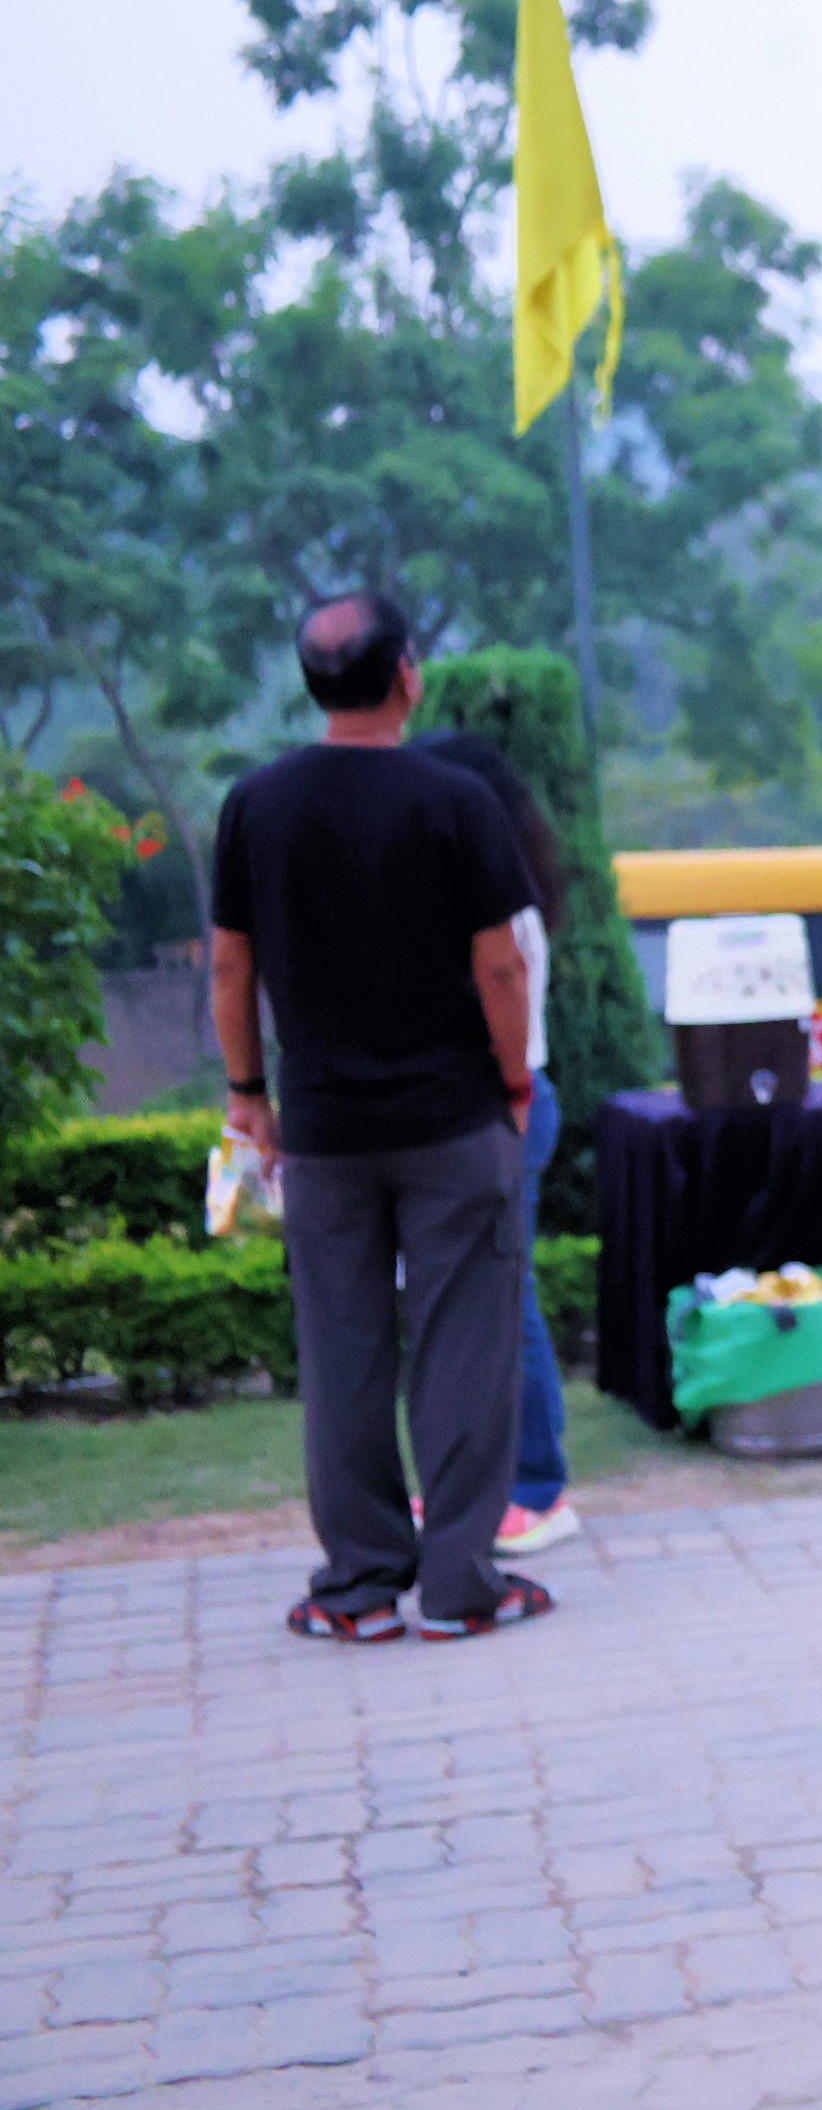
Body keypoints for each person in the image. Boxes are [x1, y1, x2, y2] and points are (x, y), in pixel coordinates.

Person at [212, 593, 556, 1643]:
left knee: (342, 1356)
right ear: (408, 673)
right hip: (453, 1119)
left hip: (321, 1131)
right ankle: (460, 1585)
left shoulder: (255, 804)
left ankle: (357, 1586)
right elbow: (501, 963)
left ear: (311, 684)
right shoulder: (454, 799)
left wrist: (249, 1093)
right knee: (465, 1350)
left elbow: (230, 964)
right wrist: (513, 1083)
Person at [411, 729, 580, 1556]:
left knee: (510, 1309)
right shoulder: (482, 886)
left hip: (506, 1109)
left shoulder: (497, 898)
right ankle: (475, 1486)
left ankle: (539, 1490)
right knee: (468, 1312)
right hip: (481, 1111)